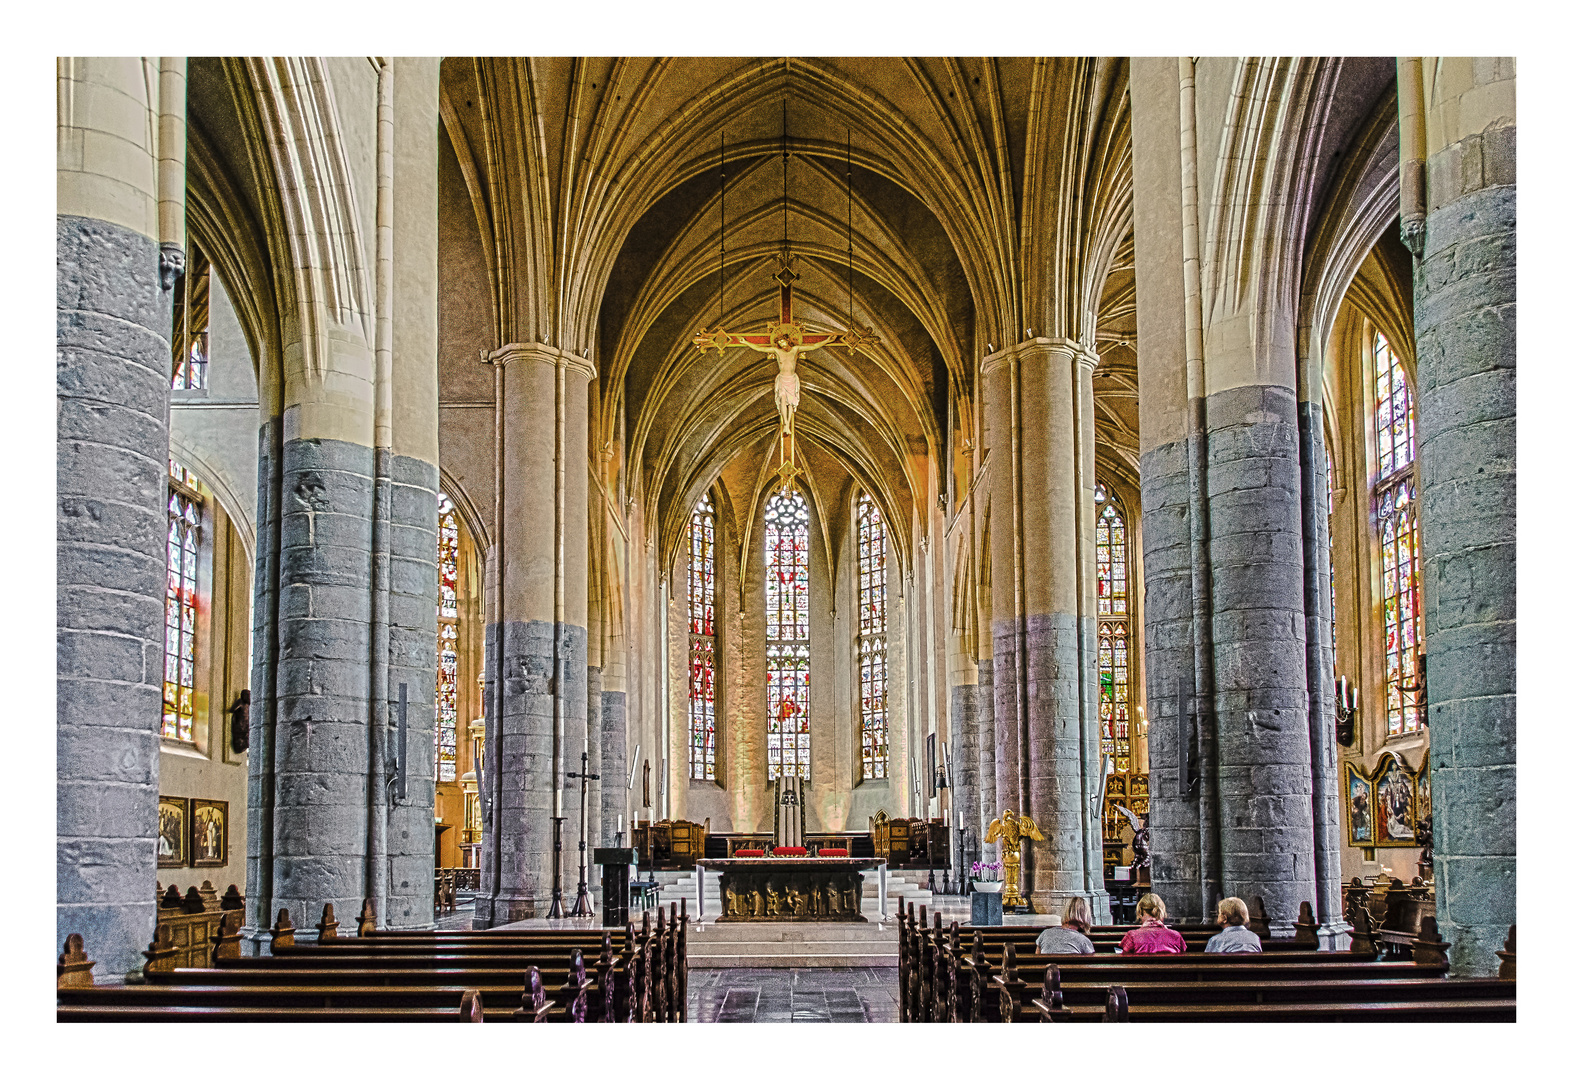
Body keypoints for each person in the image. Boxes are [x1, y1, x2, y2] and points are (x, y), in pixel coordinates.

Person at [1117, 892, 1187, 954]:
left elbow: (1125, 959)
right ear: (1162, 911)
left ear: (1140, 912)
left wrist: (1142, 929)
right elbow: (1183, 957)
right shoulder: (1176, 936)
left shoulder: (1132, 936)